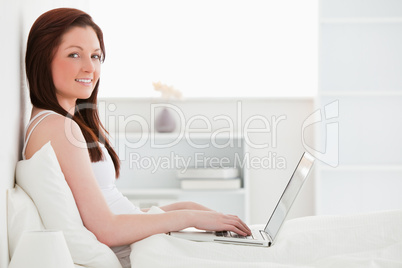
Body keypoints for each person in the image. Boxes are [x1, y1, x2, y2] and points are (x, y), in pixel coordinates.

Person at [23, 8, 251, 268]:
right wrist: (188, 217)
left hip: (141, 243)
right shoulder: (57, 127)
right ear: (43, 58)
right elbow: (107, 228)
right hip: (137, 253)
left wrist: (182, 209)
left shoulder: (62, 123)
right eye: (74, 54)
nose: (90, 67)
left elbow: (109, 212)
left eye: (96, 56)